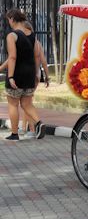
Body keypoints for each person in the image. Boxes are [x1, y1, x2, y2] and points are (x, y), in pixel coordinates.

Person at [4, 8, 46, 141]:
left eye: (8, 20)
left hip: (17, 73)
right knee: (27, 104)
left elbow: (12, 57)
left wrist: (10, 76)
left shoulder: (12, 36)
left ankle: (14, 134)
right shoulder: (32, 36)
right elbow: (36, 56)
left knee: (13, 104)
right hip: (30, 74)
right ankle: (39, 122)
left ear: (12, 19)